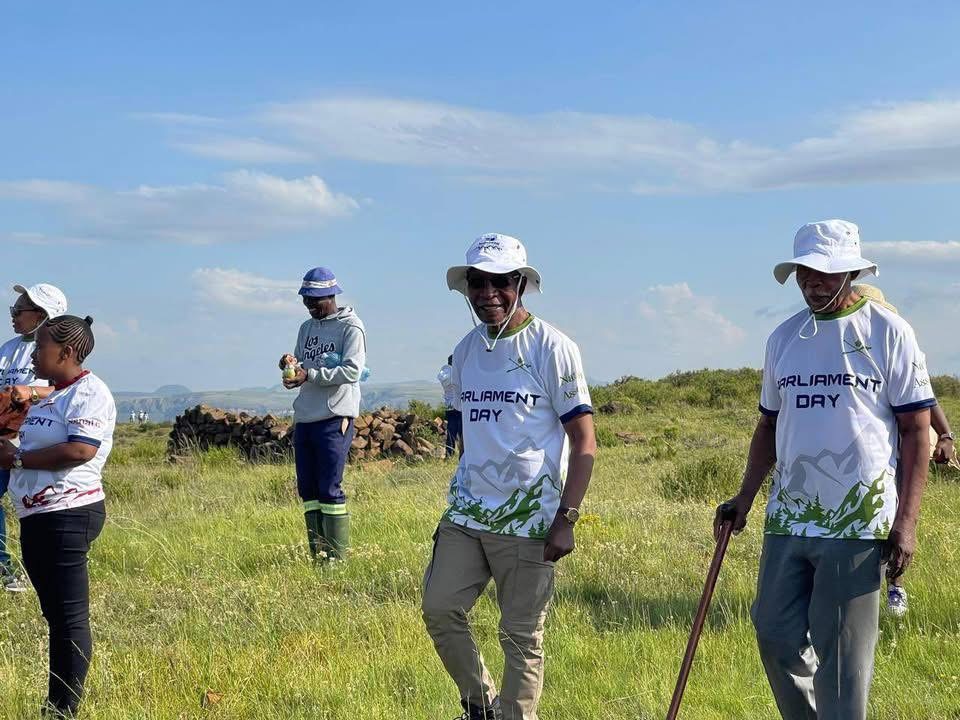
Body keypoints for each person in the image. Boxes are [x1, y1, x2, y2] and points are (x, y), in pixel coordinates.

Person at [715, 220, 936, 720]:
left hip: (858, 519)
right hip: (790, 516)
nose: (813, 282)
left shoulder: (887, 331)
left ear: (853, 272)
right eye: (805, 272)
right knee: (772, 631)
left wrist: (906, 522)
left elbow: (916, 431)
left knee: (843, 662)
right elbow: (768, 427)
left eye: (826, 272)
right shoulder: (783, 338)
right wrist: (743, 499)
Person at [423, 233, 596, 720]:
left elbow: (584, 440)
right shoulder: (467, 349)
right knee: (440, 608)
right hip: (467, 512)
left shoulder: (553, 347)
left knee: (520, 637)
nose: (488, 294)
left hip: (531, 520)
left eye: (500, 283)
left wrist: (567, 517)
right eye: (478, 283)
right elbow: (465, 424)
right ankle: (480, 704)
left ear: (521, 283)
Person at [0, 315, 114, 718]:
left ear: (66, 353)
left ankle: (62, 708)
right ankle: (57, 704)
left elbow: (80, 450)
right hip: (37, 516)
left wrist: (16, 459)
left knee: (68, 619)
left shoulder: (91, 392)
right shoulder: (48, 394)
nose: (32, 353)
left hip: (69, 512)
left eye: (41, 346)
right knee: (54, 616)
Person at [852, 283, 956, 617]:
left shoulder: (896, 344)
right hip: (866, 452)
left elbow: (927, 400)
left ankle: (895, 586)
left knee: (899, 518)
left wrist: (945, 434)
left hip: (902, 448)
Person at [279, 267, 366, 562]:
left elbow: (353, 370)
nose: (311, 307)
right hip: (306, 417)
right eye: (307, 301)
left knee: (329, 486)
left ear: (331, 295)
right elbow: (301, 362)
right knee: (308, 489)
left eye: (316, 301)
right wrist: (290, 366)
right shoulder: (306, 328)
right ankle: (318, 555)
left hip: (334, 416)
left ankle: (336, 560)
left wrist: (310, 375)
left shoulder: (350, 327)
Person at [0, 283, 68, 593]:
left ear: (40, 315)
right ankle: (6, 569)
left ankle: (38, 571)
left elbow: (69, 388)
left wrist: (31, 391)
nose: (12, 315)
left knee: (42, 507)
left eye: (18, 310)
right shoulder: (9, 349)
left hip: (39, 441)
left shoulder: (57, 349)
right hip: (7, 437)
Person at [437, 354, 462, 458]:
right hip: (458, 405)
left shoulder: (444, 375)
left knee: (451, 432)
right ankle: (463, 454)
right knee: (462, 432)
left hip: (448, 407)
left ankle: (449, 454)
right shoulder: (454, 373)